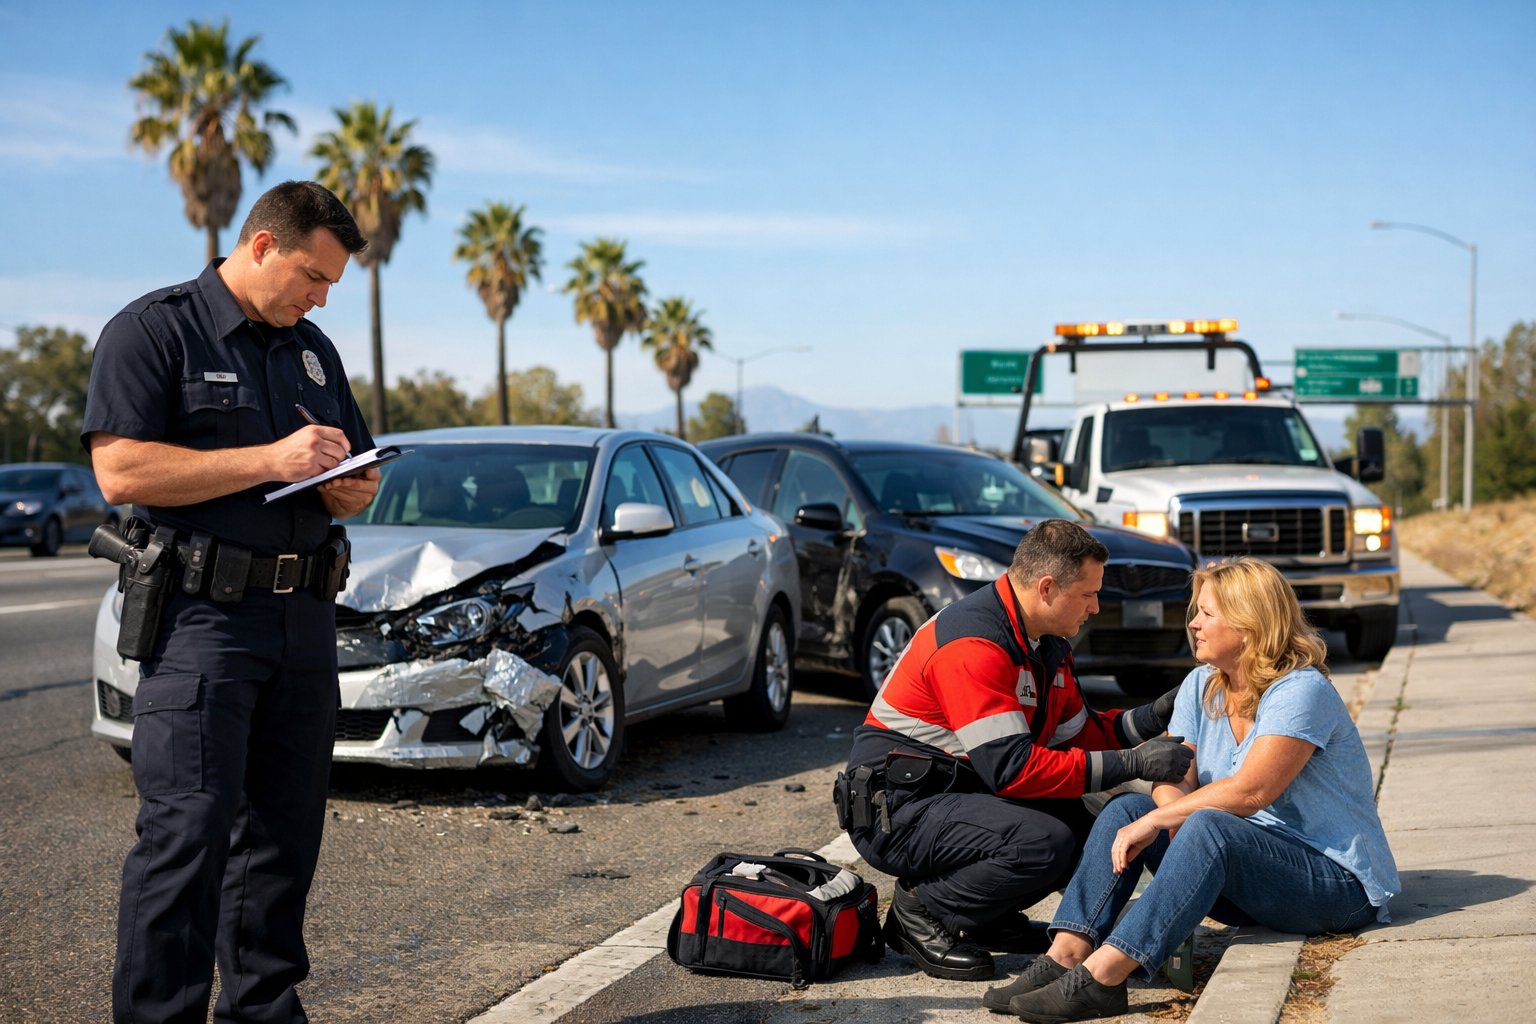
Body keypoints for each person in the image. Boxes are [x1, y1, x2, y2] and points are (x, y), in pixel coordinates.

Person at [83, 180, 378, 1023]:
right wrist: (268, 461)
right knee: (188, 834)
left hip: (305, 620)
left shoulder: (313, 349)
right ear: (260, 248)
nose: (320, 297)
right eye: (312, 276)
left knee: (283, 841)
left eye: (330, 286)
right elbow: (121, 472)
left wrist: (350, 489)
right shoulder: (153, 329)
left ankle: (263, 1011)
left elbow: (345, 463)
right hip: (202, 621)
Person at [991, 556, 1400, 1022]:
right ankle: (1067, 951)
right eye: (1196, 611)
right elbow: (1174, 772)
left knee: (1203, 824)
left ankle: (1107, 975)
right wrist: (1161, 816)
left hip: (1332, 885)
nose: (1194, 623)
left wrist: (1164, 822)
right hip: (1247, 877)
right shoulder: (1201, 683)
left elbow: (1251, 792)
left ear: (1249, 624)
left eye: (1207, 613)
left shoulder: (1300, 690)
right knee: (1127, 808)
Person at [839, 519, 1193, 982]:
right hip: (899, 810)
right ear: (1047, 588)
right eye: (1088, 594)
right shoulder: (975, 643)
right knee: (1042, 842)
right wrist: (1132, 764)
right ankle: (922, 911)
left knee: (1094, 829)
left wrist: (1150, 717)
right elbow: (1012, 770)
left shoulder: (1044, 642)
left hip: (955, 793)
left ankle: (985, 914)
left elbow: (1075, 736)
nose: (1096, 607)